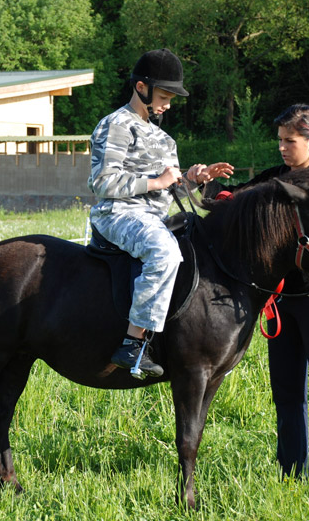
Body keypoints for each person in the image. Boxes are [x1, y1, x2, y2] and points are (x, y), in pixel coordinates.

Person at [206, 104, 309, 486]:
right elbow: (233, 202)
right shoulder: (276, 177)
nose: (282, 148)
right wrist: (204, 182)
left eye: (290, 141)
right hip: (279, 301)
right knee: (287, 392)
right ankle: (293, 477)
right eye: (279, 141)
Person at [88, 48, 233, 379]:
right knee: (165, 251)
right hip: (117, 213)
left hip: (153, 218)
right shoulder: (115, 125)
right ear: (141, 88)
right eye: (164, 95)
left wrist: (195, 180)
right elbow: (102, 181)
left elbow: (172, 193)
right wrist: (156, 180)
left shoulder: (166, 140)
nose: (167, 103)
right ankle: (132, 342)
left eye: (171, 97)